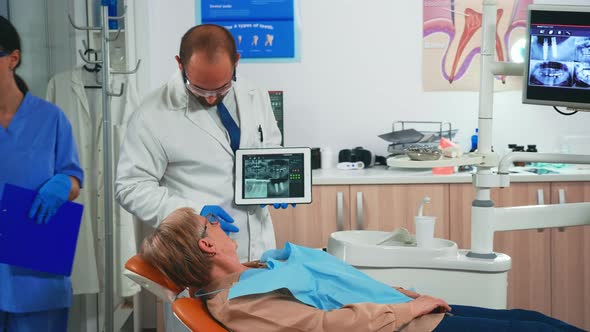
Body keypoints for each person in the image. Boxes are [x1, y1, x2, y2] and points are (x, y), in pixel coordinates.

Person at [140, 208, 585, 332]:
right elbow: (329, 326)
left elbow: (333, 288)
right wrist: (410, 311)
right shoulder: (240, 302)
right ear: (207, 243)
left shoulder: (257, 269)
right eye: (209, 221)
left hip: (407, 311)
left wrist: (399, 294)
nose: (218, 219)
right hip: (407, 327)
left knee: (536, 320)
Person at [115, 23, 284, 263]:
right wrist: (190, 213)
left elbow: (269, 147)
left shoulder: (255, 93)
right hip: (197, 253)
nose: (212, 97)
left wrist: (276, 178)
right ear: (180, 64)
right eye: (199, 89)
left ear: (236, 61)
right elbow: (130, 187)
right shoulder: (151, 114)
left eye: (222, 88)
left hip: (259, 245)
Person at [0, 16, 84, 332]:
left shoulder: (51, 119)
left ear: (13, 59)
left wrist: (63, 183)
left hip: (36, 269)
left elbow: (74, 179)